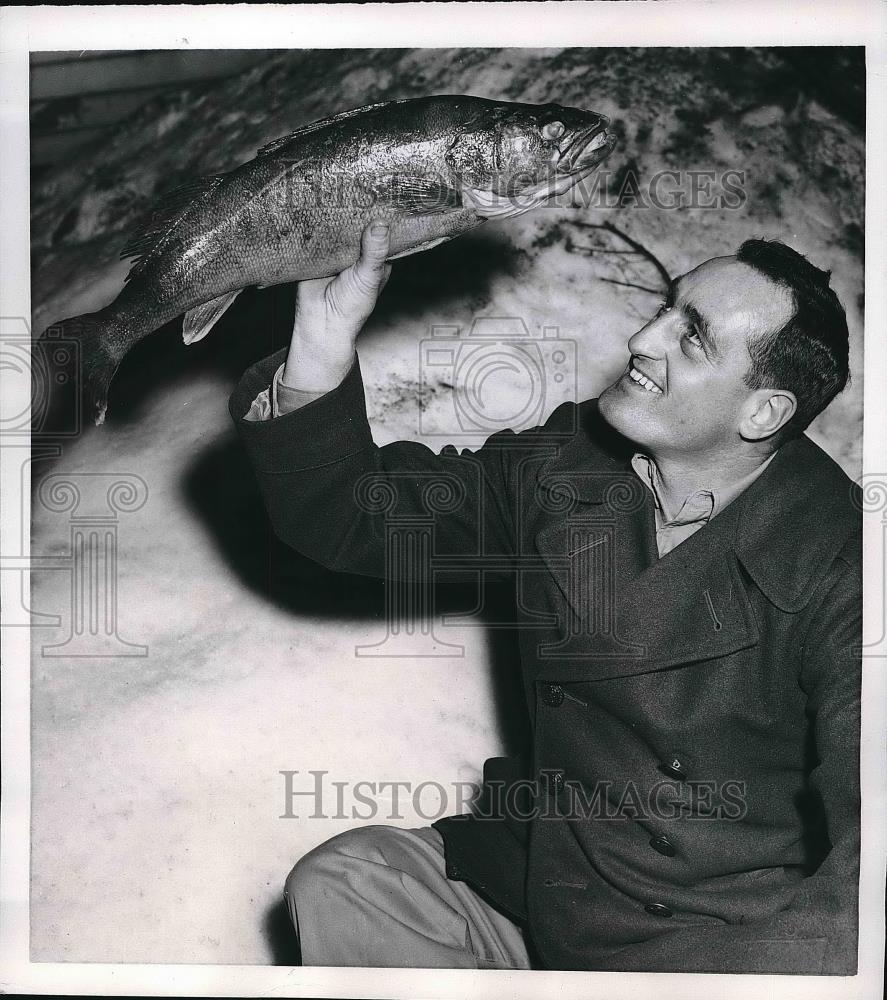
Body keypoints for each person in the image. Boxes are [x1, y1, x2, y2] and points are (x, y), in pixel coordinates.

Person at [229, 221, 861, 974]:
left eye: (690, 337)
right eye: (666, 307)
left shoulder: (845, 568)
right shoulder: (571, 462)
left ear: (763, 413)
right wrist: (322, 342)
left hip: (701, 940)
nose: (643, 338)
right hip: (541, 876)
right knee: (348, 884)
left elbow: (874, 848)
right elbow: (353, 515)